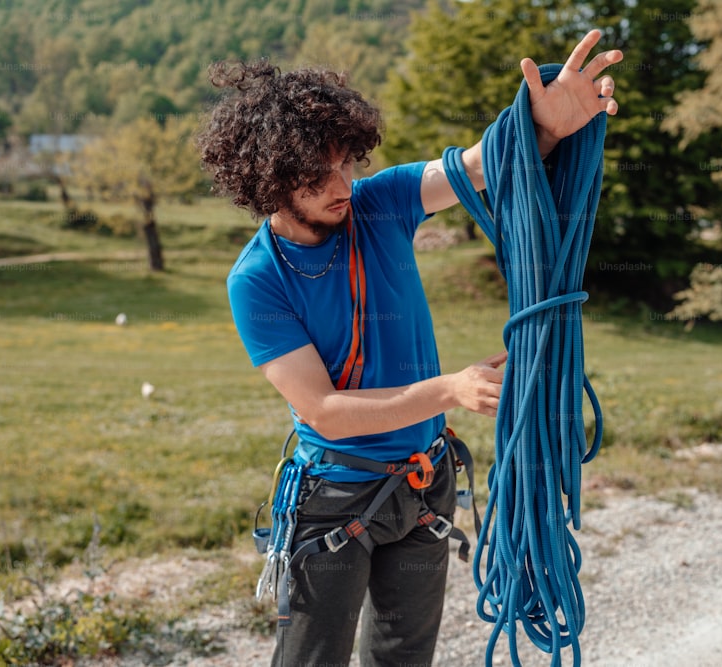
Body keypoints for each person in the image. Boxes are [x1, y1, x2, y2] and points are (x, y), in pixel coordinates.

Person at [196, 29, 622, 667]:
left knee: (404, 658)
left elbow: (481, 164)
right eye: (319, 174)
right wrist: (449, 390)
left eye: (348, 161)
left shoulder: (381, 203)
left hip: (425, 484)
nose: (343, 183)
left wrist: (543, 127)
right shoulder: (257, 279)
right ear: (269, 180)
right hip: (335, 497)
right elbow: (324, 410)